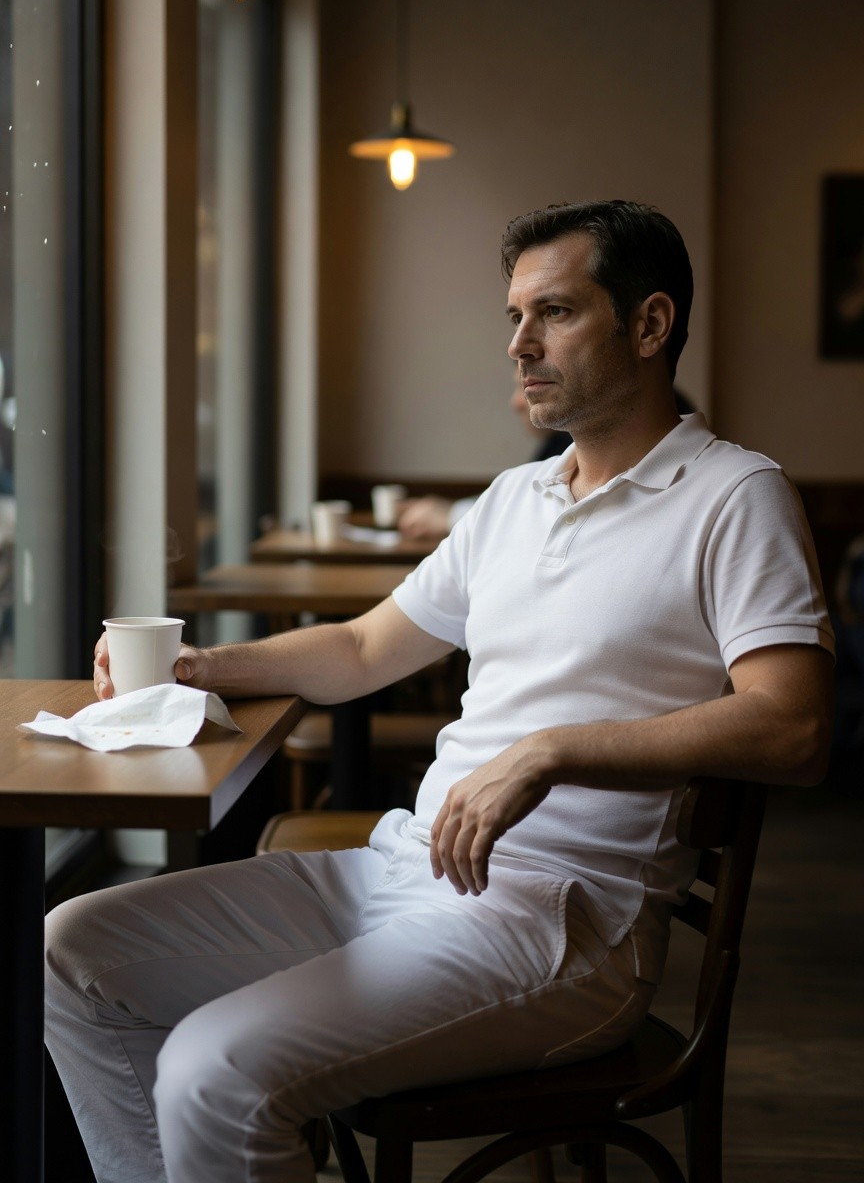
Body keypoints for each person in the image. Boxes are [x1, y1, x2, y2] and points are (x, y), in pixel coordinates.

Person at [46, 200, 834, 1183]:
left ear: (650, 325)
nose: (520, 344)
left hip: (560, 922)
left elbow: (794, 726)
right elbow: (367, 648)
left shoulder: (735, 495)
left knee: (214, 1071)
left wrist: (554, 749)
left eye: (553, 313)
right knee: (71, 948)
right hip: (404, 868)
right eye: (514, 317)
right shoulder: (516, 499)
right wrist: (205, 667)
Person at [397, 370, 571, 539]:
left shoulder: (568, 445)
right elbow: (526, 500)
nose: (514, 403)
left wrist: (451, 516)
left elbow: (538, 517)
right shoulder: (555, 445)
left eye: (525, 385)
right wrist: (451, 510)